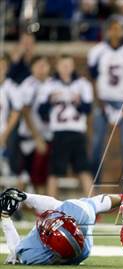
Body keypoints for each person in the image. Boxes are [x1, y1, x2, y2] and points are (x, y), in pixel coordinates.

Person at [0, 183, 123, 265]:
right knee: (92, 204)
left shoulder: (33, 254)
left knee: (89, 205)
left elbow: (15, 252)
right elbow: (55, 204)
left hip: (78, 251)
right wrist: (25, 197)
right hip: (81, 245)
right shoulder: (79, 214)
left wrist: (6, 216)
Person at [88, 16, 123, 183]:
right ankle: (94, 183)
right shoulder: (98, 51)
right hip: (104, 100)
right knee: (97, 142)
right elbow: (94, 78)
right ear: (107, 30)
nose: (116, 32)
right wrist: (99, 101)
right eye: (113, 28)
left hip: (122, 100)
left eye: (119, 28)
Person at [38, 54, 94, 197]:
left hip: (77, 131)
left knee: (84, 169)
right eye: (63, 65)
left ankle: (94, 207)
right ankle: (49, 208)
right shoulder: (49, 85)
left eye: (68, 65)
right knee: (54, 171)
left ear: (73, 66)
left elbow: (88, 110)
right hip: (59, 132)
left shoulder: (82, 84)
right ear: (57, 66)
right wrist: (51, 100)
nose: (66, 68)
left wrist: (78, 102)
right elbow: (41, 112)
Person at [17, 56, 52, 193]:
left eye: (44, 65)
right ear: (32, 68)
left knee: (42, 175)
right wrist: (37, 137)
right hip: (30, 136)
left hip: (47, 135)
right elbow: (25, 111)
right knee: (25, 173)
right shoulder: (28, 84)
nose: (42, 69)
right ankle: (14, 207)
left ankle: (42, 210)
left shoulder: (52, 83)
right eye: (38, 66)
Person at [0, 54, 22, 168]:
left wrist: (4, 135)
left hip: (4, 133)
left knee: (5, 168)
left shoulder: (12, 88)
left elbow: (15, 113)